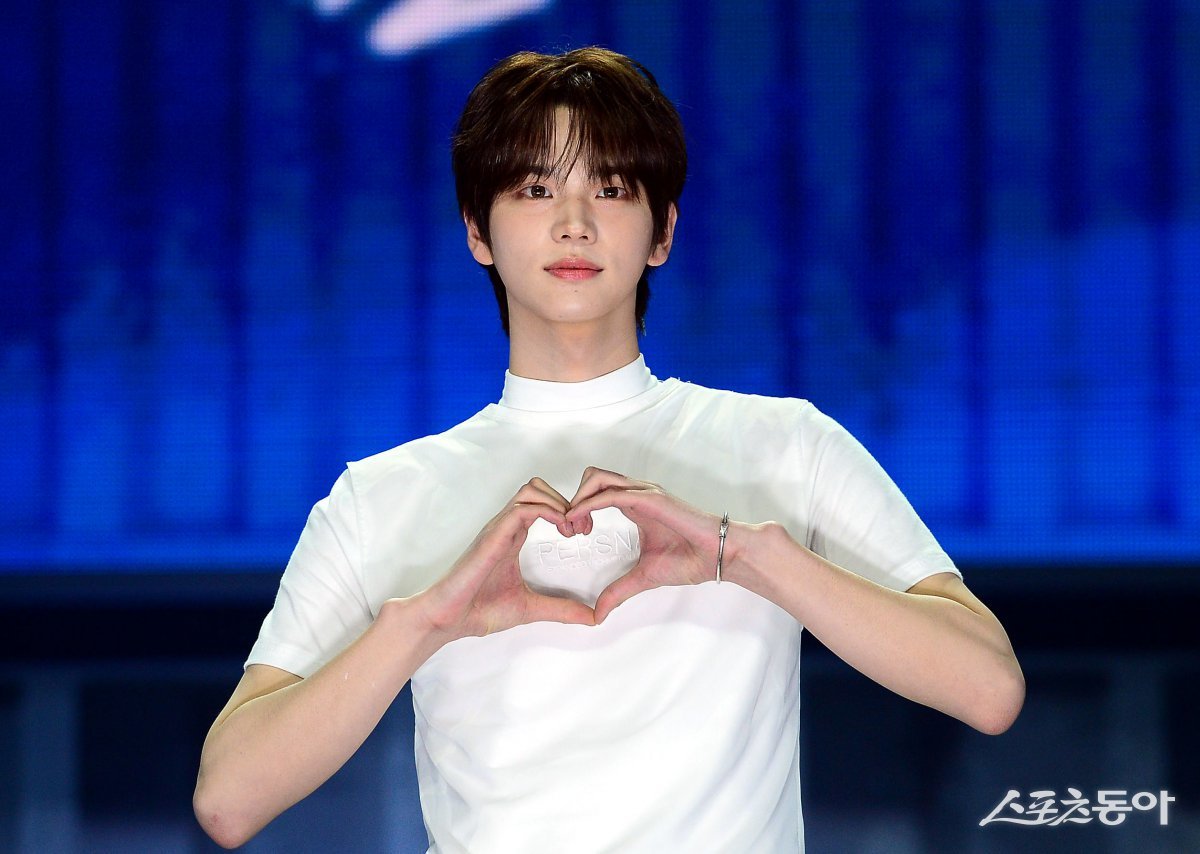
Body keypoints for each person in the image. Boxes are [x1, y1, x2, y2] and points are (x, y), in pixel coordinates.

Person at [193, 47, 1024, 852]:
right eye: (535, 188)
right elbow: (229, 801)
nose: (574, 223)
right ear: (477, 230)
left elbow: (988, 689)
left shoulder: (783, 445)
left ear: (662, 230)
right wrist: (429, 622)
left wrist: (743, 556)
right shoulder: (382, 497)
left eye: (612, 188)